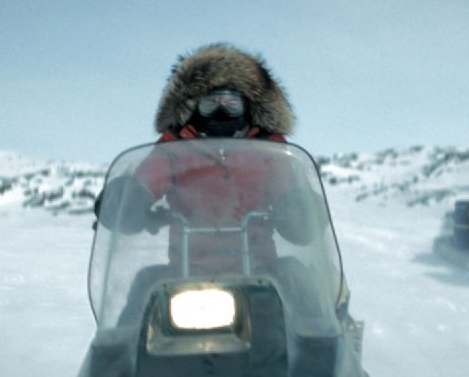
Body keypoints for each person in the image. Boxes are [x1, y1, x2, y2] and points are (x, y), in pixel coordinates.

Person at [95, 43, 323, 323]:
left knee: (299, 281)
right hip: (186, 272)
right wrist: (127, 197)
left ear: (248, 106)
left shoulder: (269, 150)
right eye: (210, 103)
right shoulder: (175, 148)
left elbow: (287, 182)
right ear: (193, 107)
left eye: (231, 103)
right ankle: (116, 361)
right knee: (144, 289)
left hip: (261, 270)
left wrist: (299, 207)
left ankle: (324, 355)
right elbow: (149, 175)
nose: (221, 112)